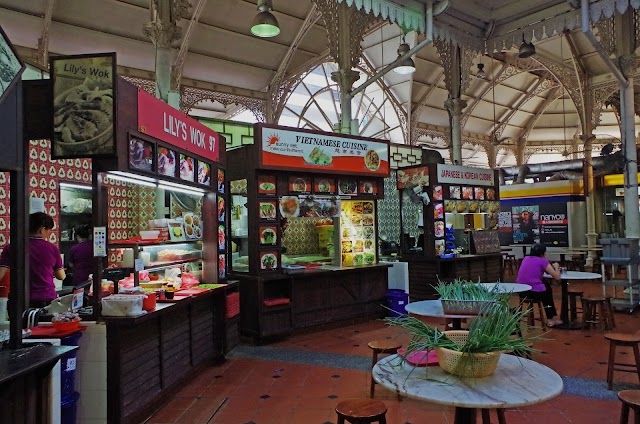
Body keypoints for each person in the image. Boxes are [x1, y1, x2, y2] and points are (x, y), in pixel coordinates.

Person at [0, 212, 65, 308]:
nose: (48, 233)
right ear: (42, 229)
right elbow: (61, 276)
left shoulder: (11, 248)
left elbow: (0, 274)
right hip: (45, 298)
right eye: (48, 230)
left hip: (18, 299)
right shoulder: (52, 248)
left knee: (20, 323)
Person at [516, 243, 562, 327]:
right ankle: (550, 319)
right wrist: (556, 267)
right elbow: (557, 277)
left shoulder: (525, 259)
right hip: (534, 293)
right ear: (542, 254)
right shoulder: (543, 261)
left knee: (545, 283)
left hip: (521, 292)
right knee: (547, 293)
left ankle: (551, 316)